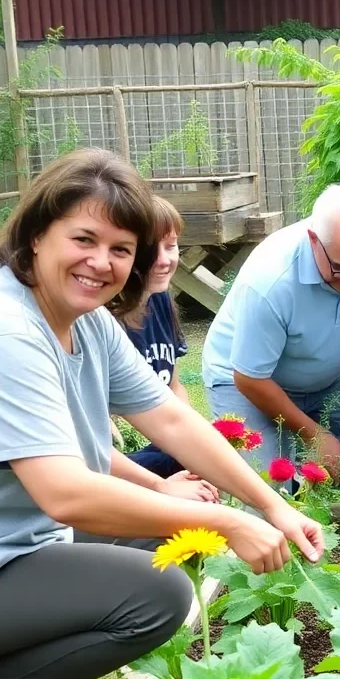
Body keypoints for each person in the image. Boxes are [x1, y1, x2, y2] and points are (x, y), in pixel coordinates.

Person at [0, 149, 324, 679]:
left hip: (1, 551)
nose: (101, 262)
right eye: (84, 239)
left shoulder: (85, 319)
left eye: (120, 248)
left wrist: (272, 505)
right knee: (157, 595)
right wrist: (221, 516)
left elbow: (170, 418)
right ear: (36, 234)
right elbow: (66, 494)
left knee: (158, 543)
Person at [202, 184, 340, 482]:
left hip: (323, 380)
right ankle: (273, 481)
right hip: (247, 382)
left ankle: (312, 491)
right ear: (313, 240)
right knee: (267, 486)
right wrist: (315, 435)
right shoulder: (269, 282)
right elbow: (249, 378)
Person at [109, 196, 217, 502]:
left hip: (140, 457)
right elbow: (95, 444)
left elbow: (174, 387)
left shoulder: (160, 301)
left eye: (170, 246)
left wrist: (197, 447)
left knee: (199, 454)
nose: (163, 259)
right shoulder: (103, 318)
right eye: (150, 249)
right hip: (99, 464)